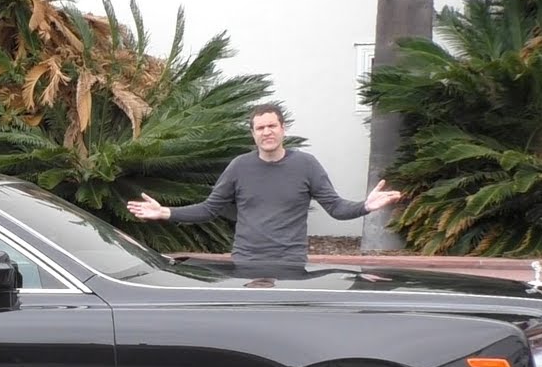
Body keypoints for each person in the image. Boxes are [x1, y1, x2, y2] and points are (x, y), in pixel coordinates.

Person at [126, 103, 402, 264]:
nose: (267, 132)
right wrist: (165, 212)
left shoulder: (306, 165)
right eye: (260, 127)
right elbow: (210, 209)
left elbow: (336, 208)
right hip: (246, 261)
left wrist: (366, 206)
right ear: (253, 134)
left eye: (272, 126)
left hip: (290, 263)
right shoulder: (239, 167)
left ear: (283, 129)